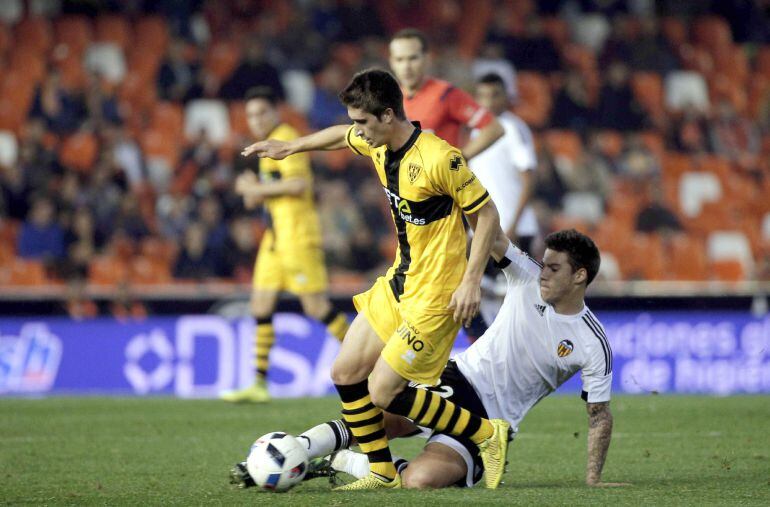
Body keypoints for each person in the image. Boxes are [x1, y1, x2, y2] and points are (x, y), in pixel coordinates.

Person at [241, 69, 508, 490]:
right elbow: (336, 135)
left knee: (383, 392)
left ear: (387, 115)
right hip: (399, 282)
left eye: (363, 123)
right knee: (346, 373)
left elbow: (487, 213)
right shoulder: (377, 142)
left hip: (438, 294)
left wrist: (472, 281)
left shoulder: (440, 158)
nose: (358, 132)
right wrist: (291, 146)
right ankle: (382, 472)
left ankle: (488, 434)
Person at [231, 229, 624, 489]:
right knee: (375, 417)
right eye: (546, 264)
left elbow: (599, 415)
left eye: (555, 268)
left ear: (579, 276)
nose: (544, 274)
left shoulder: (592, 342)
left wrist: (593, 479)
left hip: (495, 418)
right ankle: (290, 452)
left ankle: (345, 463)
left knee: (419, 481)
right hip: (461, 378)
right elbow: (492, 234)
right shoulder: (525, 275)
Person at [220, 87, 349, 404]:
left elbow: (298, 184)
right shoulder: (265, 149)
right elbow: (263, 196)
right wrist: (252, 190)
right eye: (250, 115)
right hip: (275, 238)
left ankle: (372, 365)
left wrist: (256, 189)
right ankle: (259, 384)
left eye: (262, 112)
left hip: (298, 237)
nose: (256, 120)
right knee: (260, 306)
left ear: (276, 112)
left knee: (316, 307)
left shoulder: (286, 136)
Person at [388, 28, 504, 160]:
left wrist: (460, 159)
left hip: (443, 180)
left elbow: (494, 128)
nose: (406, 67)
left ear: (427, 58)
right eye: (399, 60)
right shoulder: (389, 100)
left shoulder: (445, 94)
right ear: (392, 62)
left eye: (413, 58)